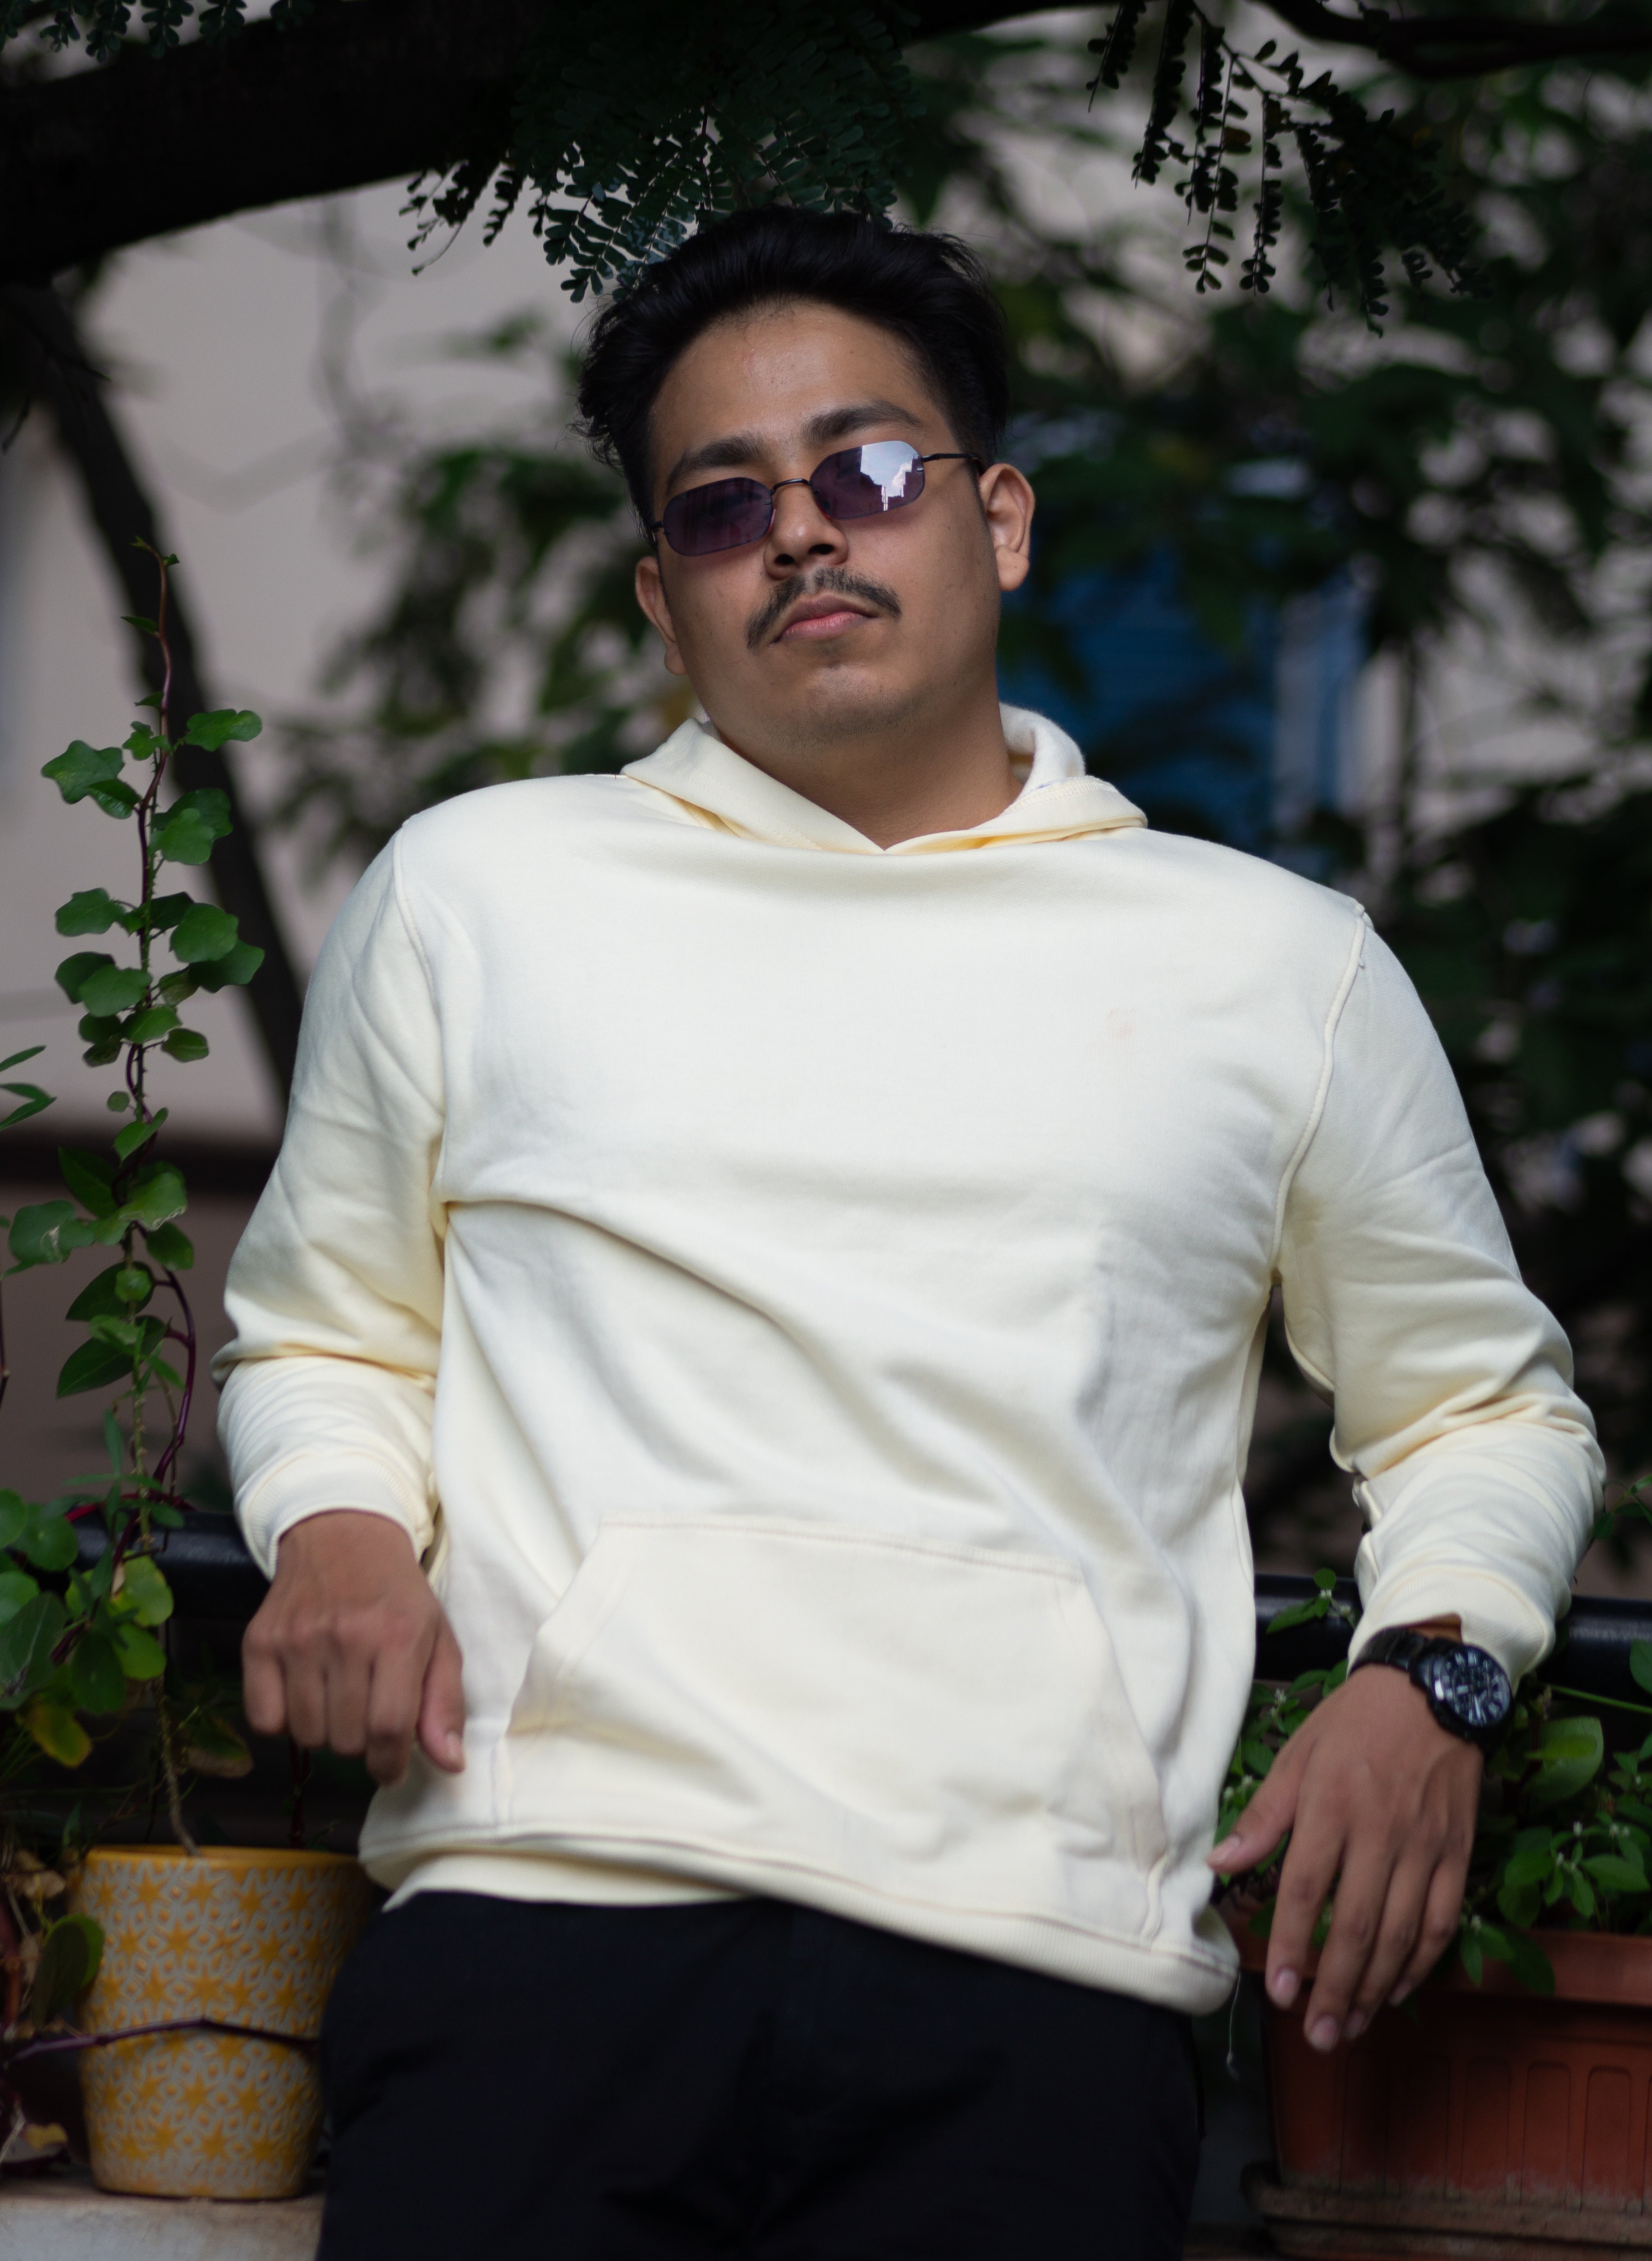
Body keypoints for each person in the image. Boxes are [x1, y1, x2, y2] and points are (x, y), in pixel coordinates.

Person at [217, 206, 1603, 2260]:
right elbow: (325, 1335)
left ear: (1002, 522)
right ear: (659, 596)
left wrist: (1436, 1679)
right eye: (719, 505)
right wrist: (334, 1532)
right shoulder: (479, 894)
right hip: (542, 1918)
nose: (800, 532)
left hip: (1040, 1980)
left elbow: (1484, 1413)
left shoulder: (1272, 966)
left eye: (866, 469)